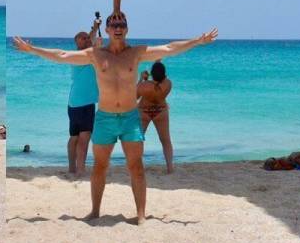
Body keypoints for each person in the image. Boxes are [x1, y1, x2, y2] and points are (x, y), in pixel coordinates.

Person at [14, 13, 217, 224]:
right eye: (114, 25)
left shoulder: (136, 53)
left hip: (130, 118)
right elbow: (63, 55)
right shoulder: (96, 54)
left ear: (127, 29)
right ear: (109, 30)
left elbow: (168, 49)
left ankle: (140, 215)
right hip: (105, 119)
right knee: (100, 167)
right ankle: (94, 211)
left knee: (136, 166)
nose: (118, 28)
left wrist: (198, 41)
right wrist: (33, 49)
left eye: (122, 25)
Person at [67, 19, 100, 176]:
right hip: (83, 103)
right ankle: (79, 169)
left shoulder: (86, 52)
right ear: (76, 42)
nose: (86, 39)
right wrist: (96, 43)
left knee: (76, 136)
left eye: (87, 37)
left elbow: (91, 42)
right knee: (82, 137)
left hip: (76, 103)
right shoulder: (80, 55)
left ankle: (73, 168)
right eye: (82, 38)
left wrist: (95, 28)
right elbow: (92, 48)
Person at [137, 61, 173, 173]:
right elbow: (158, 89)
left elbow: (135, 95)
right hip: (160, 111)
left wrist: (141, 79)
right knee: (165, 140)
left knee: (138, 140)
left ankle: (138, 166)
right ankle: (170, 168)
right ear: (163, 74)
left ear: (152, 73)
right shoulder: (168, 83)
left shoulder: (144, 85)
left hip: (144, 111)